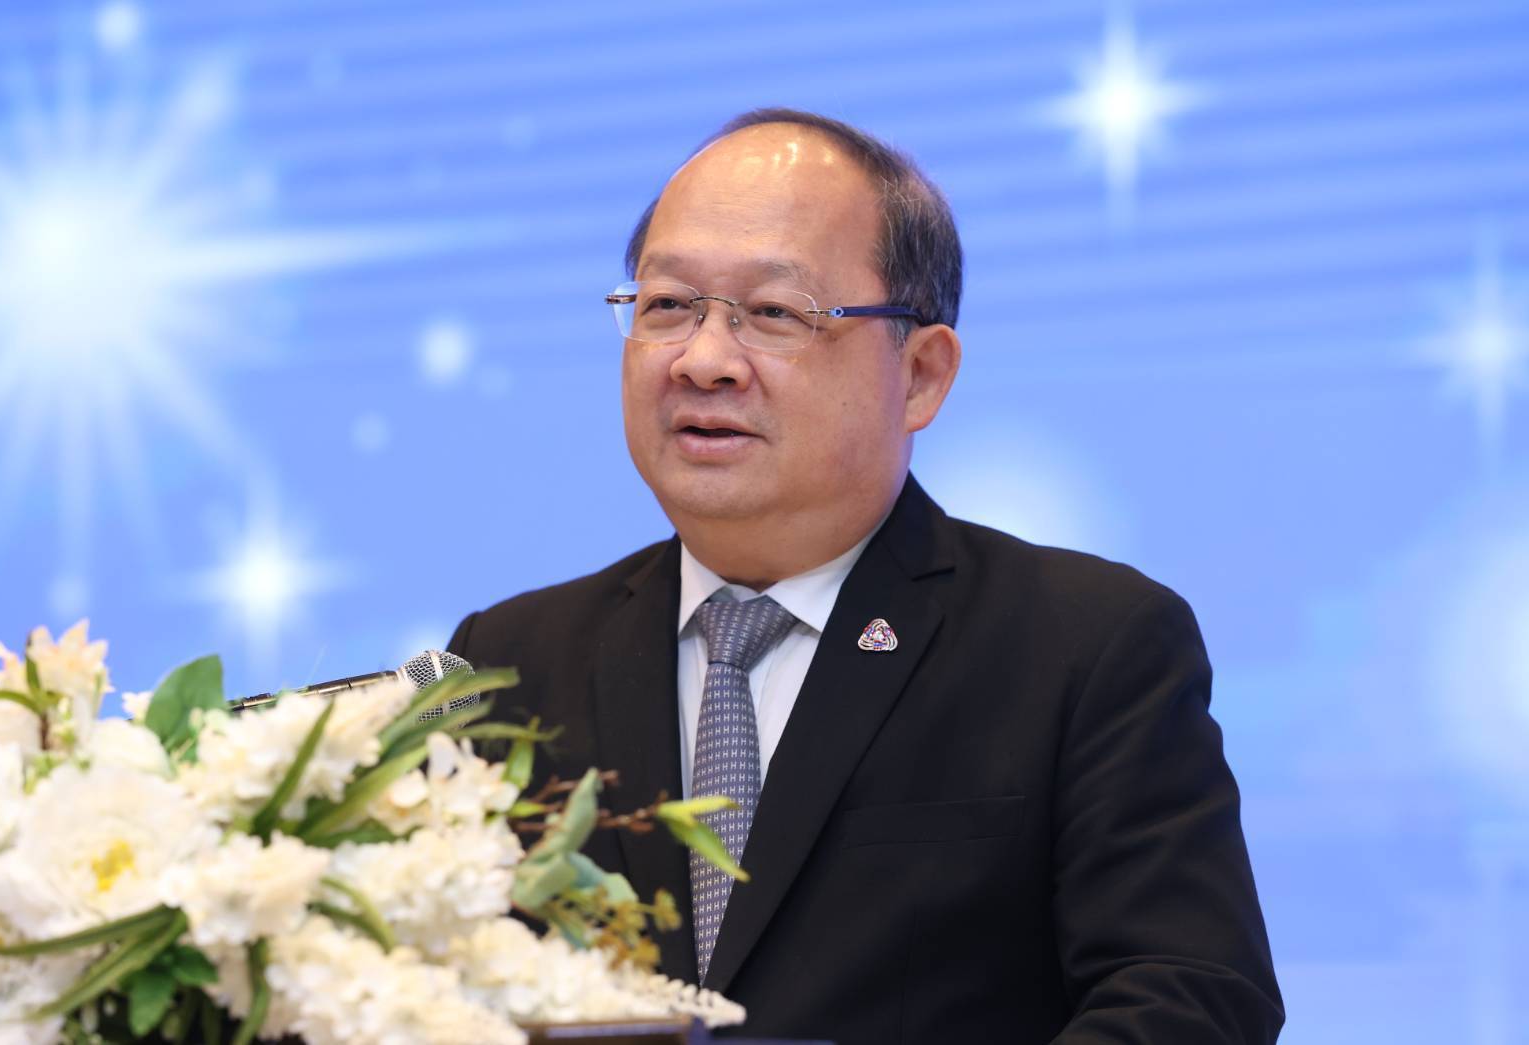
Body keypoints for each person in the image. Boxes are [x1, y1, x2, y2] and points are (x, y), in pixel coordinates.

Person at [449, 108, 1283, 1044]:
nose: (704, 360)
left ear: (920, 374)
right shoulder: (507, 660)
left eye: (775, 313)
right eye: (668, 306)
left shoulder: (1085, 645)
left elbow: (1190, 1000)